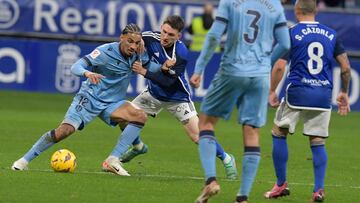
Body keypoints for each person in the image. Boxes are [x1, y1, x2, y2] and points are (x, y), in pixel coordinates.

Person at [11, 24, 170, 176]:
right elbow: (76, 67)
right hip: (89, 98)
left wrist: (164, 67)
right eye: (130, 41)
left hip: (112, 103)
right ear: (121, 38)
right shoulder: (104, 52)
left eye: (137, 43)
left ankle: (113, 159)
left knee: (139, 116)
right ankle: (23, 161)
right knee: (64, 131)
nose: (133, 46)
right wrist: (87, 73)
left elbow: (152, 67)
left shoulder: (139, 53)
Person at [189, 0, 291, 202]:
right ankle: (242, 196)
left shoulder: (230, 2)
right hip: (260, 76)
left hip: (232, 69)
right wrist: (266, 62)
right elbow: (286, 43)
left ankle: (211, 180)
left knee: (206, 122)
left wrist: (199, 68)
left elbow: (214, 36)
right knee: (252, 132)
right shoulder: (275, 5)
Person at [119, 15, 238, 180]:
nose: (165, 37)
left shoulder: (181, 53)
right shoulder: (149, 38)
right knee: (123, 117)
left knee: (198, 137)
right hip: (153, 94)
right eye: (164, 32)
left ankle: (226, 158)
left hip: (177, 97)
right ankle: (138, 146)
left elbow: (168, 82)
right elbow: (129, 38)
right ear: (161, 27)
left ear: (179, 36)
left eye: (171, 35)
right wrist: (136, 44)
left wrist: (144, 72)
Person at [264, 0, 351, 202]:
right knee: (317, 141)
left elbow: (279, 66)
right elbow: (345, 67)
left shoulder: (291, 33)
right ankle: (318, 190)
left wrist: (271, 91)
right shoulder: (331, 33)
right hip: (322, 95)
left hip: (298, 92)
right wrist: (344, 92)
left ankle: (281, 184)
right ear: (316, 10)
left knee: (279, 132)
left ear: (296, 10)